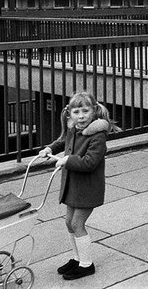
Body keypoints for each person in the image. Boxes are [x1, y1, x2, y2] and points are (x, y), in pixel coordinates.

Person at [39, 91, 117, 280]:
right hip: (73, 185)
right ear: (69, 114)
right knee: (68, 222)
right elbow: (64, 141)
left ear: (94, 112)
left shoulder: (97, 136)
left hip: (88, 188)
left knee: (77, 223)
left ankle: (86, 264)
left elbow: (90, 162)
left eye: (85, 111)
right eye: (76, 112)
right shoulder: (74, 129)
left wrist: (67, 160)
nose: (81, 116)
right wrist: (50, 148)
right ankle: (77, 257)